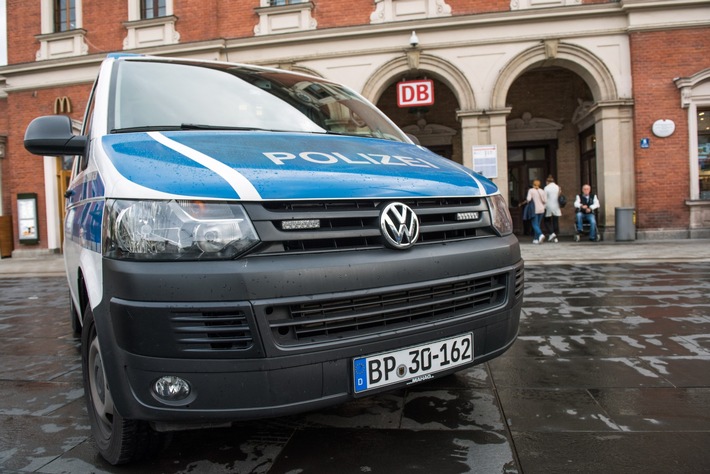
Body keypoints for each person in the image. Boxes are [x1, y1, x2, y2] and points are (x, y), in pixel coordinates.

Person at [524, 179, 547, 244]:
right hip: (541, 209)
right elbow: (545, 200)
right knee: (538, 224)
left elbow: (528, 199)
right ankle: (536, 239)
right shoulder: (542, 191)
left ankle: (540, 234)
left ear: (533, 184)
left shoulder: (531, 191)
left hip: (534, 209)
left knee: (534, 224)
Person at [543, 175, 561, 243]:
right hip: (556, 205)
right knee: (555, 221)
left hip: (548, 205)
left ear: (547, 182)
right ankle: (555, 234)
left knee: (547, 220)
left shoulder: (546, 188)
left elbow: (545, 198)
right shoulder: (557, 187)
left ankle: (551, 233)